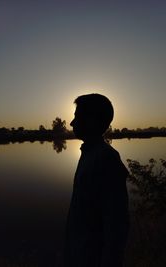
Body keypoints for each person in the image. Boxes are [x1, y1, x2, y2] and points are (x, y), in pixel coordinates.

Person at [64, 93, 129, 267]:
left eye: (77, 116)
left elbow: (116, 223)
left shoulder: (106, 159)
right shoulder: (90, 153)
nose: (72, 123)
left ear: (91, 120)